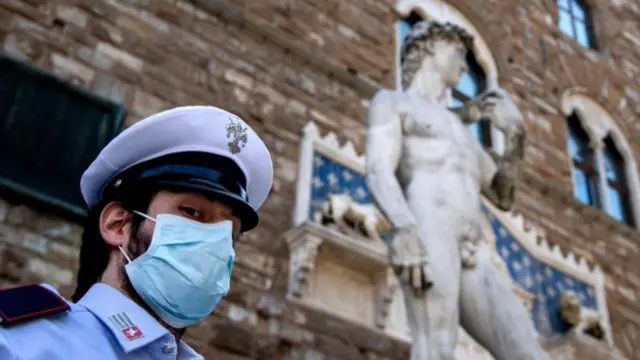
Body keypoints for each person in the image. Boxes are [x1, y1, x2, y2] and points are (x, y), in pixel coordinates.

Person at [0, 106, 273, 359]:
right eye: (191, 212)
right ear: (117, 224)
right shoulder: (19, 344)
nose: (215, 243)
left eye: (230, 233)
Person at [364, 20, 549, 360]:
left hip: (474, 247)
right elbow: (377, 168)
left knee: (528, 352)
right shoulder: (392, 103)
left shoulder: (462, 130)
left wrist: (516, 139)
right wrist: (404, 228)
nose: (466, 65)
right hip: (428, 228)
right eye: (459, 53)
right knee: (436, 347)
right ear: (432, 45)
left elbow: (502, 195)